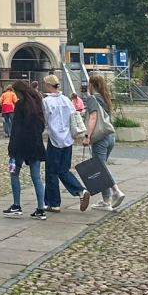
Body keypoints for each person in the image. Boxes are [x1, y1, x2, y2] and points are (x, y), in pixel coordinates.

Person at [41, 75, 90, 212]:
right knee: (64, 170)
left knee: (51, 172)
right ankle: (80, 191)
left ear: (49, 85)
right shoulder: (66, 100)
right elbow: (74, 117)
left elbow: (44, 120)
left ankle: (53, 202)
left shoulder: (46, 101)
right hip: (68, 138)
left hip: (55, 138)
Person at [2, 80, 48, 219]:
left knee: (13, 173)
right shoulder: (37, 103)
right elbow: (41, 126)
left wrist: (11, 148)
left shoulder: (20, 105)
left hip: (19, 147)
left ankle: (17, 205)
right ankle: (41, 208)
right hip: (35, 145)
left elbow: (16, 128)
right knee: (36, 177)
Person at [83, 73, 124, 211]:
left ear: (91, 85)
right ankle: (106, 201)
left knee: (101, 168)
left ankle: (116, 191)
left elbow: (93, 118)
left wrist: (87, 135)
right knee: (102, 167)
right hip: (110, 136)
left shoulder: (92, 98)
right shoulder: (105, 98)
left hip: (100, 138)